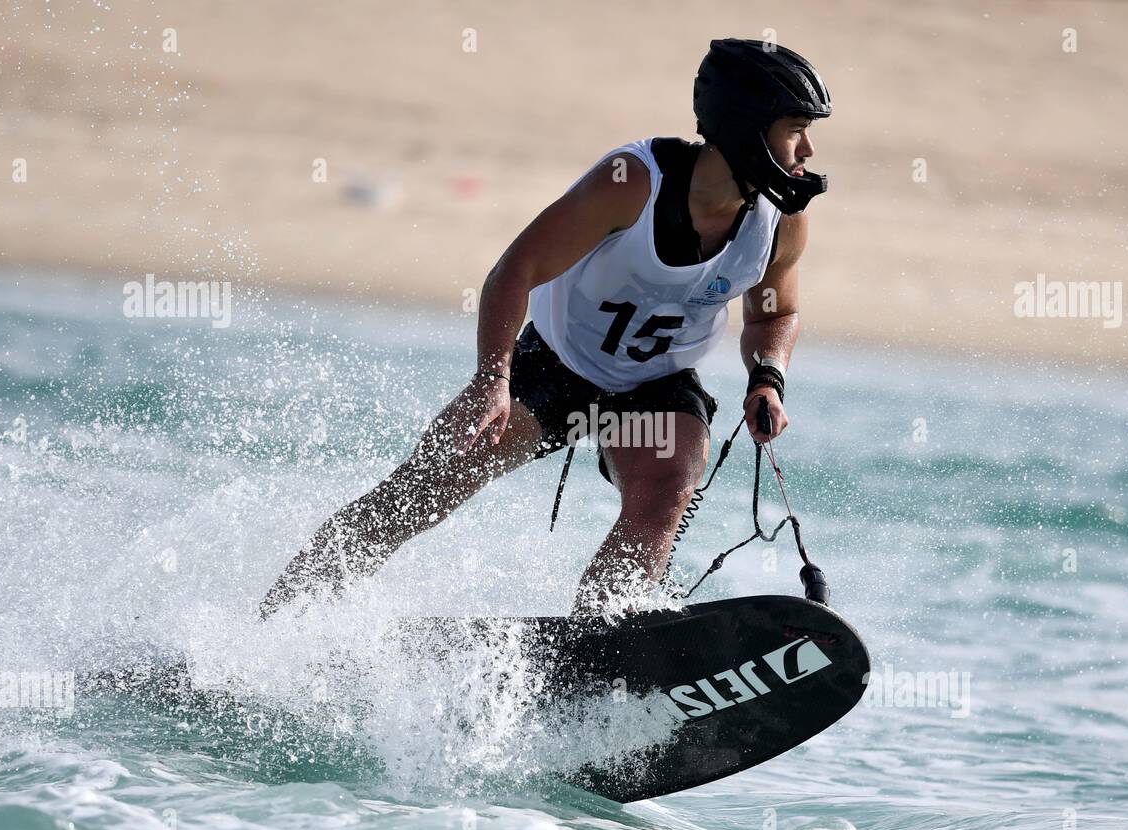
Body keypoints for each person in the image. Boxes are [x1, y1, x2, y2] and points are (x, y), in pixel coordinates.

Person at [259, 38, 831, 619]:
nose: (808, 149)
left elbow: (773, 312)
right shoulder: (632, 182)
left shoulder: (780, 224)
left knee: (671, 483)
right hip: (551, 366)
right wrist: (492, 377)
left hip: (655, 385)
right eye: (794, 129)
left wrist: (767, 377)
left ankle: (598, 644)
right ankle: (275, 621)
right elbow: (517, 269)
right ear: (745, 128)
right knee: (419, 493)